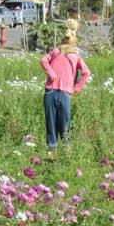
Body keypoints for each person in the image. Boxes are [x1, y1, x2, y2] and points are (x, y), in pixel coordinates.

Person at [40, 19, 91, 157]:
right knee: (50, 121)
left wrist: (76, 88)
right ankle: (51, 150)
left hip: (65, 93)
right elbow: (43, 60)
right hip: (50, 91)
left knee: (64, 122)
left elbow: (86, 73)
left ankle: (66, 149)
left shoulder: (75, 56)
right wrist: (51, 73)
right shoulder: (56, 52)